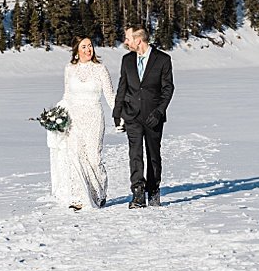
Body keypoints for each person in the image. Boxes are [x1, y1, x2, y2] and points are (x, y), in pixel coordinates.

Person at [51, 36, 115, 210]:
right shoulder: (69, 69)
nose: (88, 50)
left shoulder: (100, 69)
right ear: (77, 51)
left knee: (94, 157)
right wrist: (57, 116)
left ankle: (99, 193)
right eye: (84, 46)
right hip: (74, 118)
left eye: (90, 46)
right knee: (76, 156)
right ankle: (78, 197)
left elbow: (110, 96)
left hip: (94, 116)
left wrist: (120, 115)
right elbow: (67, 95)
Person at [115, 24, 174, 208]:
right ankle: (138, 193)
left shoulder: (163, 59)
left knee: (153, 154)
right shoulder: (126, 60)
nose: (125, 42)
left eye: (128, 38)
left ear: (138, 40)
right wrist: (117, 112)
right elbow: (122, 87)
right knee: (135, 154)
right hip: (132, 114)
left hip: (153, 116)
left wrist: (159, 111)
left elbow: (168, 89)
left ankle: (154, 189)